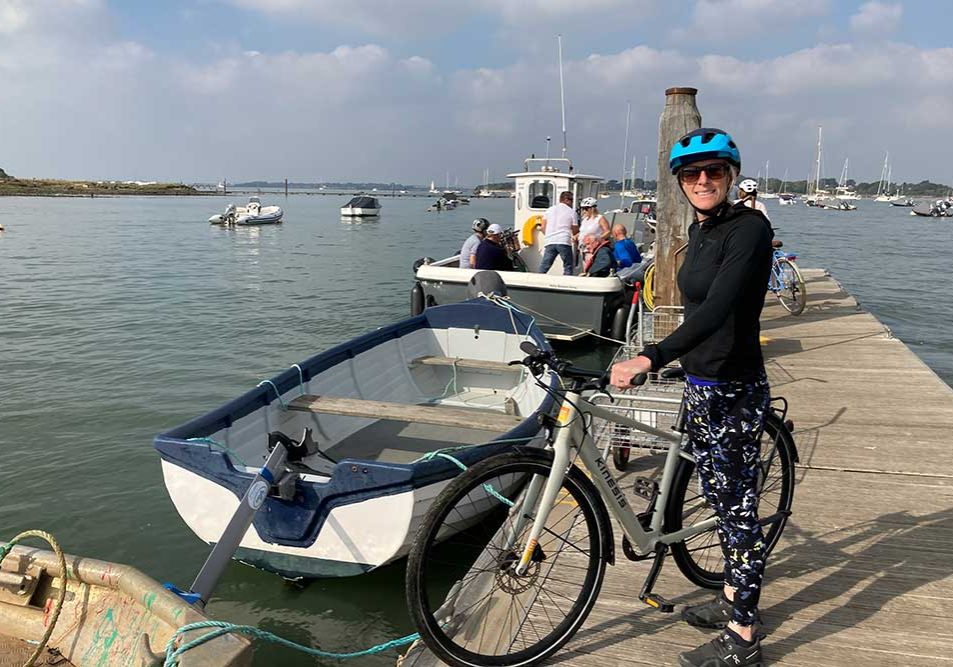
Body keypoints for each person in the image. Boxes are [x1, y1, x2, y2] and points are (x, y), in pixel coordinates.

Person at [609, 128, 774, 667]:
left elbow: (718, 309)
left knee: (736, 512)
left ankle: (744, 636)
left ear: (730, 176)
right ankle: (729, 598)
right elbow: (693, 309)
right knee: (714, 492)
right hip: (701, 382)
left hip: (734, 387)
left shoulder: (749, 230)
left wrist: (651, 356)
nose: (703, 181)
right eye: (691, 174)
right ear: (680, 182)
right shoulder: (702, 231)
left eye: (714, 172)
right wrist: (678, 361)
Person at [538, 190, 578, 275]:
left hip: (550, 240)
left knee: (545, 265)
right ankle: (567, 282)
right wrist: (576, 236)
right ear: (567, 200)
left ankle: (538, 280)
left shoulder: (549, 210)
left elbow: (542, 227)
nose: (572, 202)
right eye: (571, 200)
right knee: (568, 265)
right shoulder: (571, 211)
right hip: (564, 240)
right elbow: (575, 228)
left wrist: (549, 234)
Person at [577, 197, 612, 266]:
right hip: (583, 248)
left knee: (591, 266)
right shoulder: (585, 220)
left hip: (594, 249)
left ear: (592, 209)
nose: (584, 211)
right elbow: (583, 232)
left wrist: (597, 238)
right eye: (582, 209)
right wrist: (575, 236)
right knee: (585, 267)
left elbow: (608, 232)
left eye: (586, 209)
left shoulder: (600, 218)